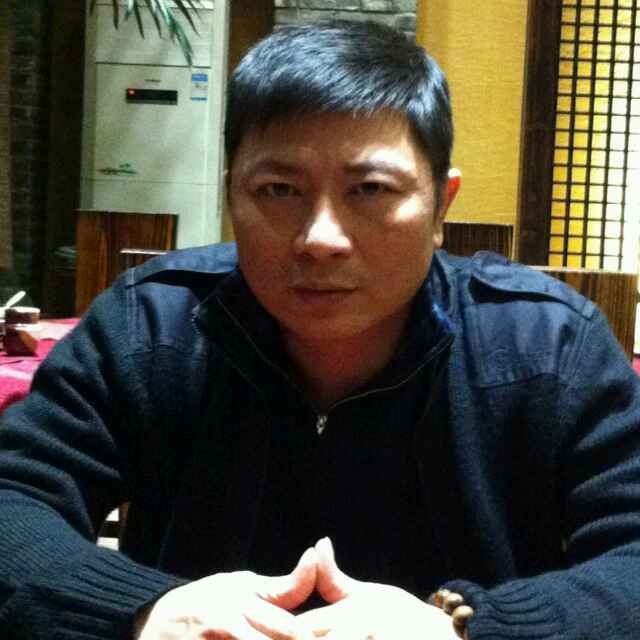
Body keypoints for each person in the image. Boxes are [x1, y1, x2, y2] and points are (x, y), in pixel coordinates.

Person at [1, 19, 640, 640]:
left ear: (441, 206)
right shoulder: (151, 325)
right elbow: (14, 497)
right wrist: (145, 611)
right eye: (279, 190)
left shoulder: (548, 346)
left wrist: (461, 630)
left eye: (370, 189)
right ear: (231, 195)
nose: (321, 238)